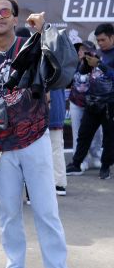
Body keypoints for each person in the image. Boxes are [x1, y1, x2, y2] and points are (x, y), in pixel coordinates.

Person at [0, 0, 71, 268]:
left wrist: (45, 29)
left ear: (15, 18)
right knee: (8, 213)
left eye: (5, 12)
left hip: (35, 140)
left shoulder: (33, 46)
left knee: (46, 212)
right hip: (2, 148)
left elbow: (64, 65)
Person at [66, 23, 114, 180]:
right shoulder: (97, 53)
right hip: (92, 102)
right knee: (84, 134)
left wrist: (99, 64)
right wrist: (85, 63)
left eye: (103, 40)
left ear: (112, 37)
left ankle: (105, 167)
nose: (100, 43)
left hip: (109, 104)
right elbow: (82, 72)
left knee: (109, 138)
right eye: (98, 40)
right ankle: (76, 163)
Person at [68, 40, 103, 172]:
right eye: (80, 50)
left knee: (96, 132)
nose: (81, 52)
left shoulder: (98, 64)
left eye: (84, 50)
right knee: (78, 132)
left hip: (94, 103)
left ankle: (96, 156)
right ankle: (80, 160)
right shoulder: (72, 64)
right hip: (76, 102)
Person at [48, 89, 67, 196]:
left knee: (56, 148)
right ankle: (59, 183)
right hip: (54, 110)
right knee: (56, 149)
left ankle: (59, 183)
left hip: (52, 110)